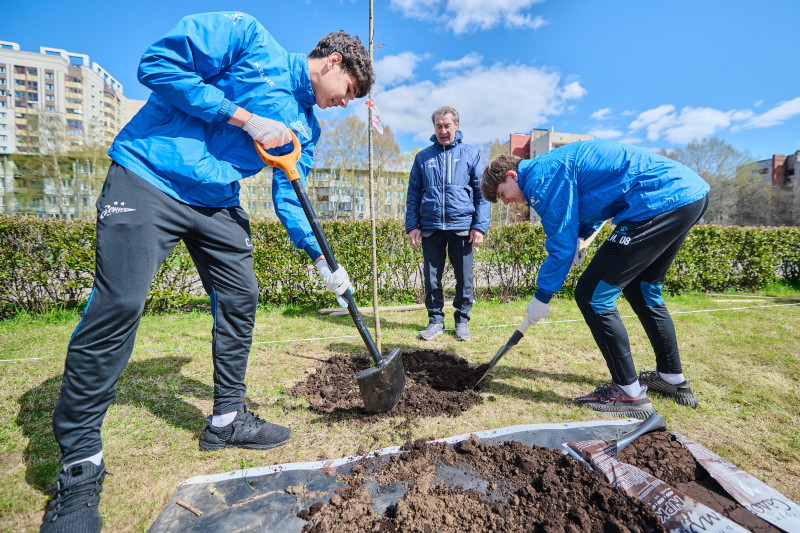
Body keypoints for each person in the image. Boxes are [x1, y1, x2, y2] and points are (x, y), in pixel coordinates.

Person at [41, 12, 373, 533]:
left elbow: (291, 194)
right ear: (333, 62)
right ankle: (80, 464)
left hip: (216, 200)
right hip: (149, 174)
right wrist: (243, 118)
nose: (345, 103)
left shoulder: (306, 128)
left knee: (242, 297)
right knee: (120, 303)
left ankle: (226, 419)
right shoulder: (247, 38)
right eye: (348, 91)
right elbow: (157, 65)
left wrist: (322, 260)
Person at [481, 140, 709, 419]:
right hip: (687, 195)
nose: (506, 202)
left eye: (502, 194)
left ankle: (628, 393)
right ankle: (672, 378)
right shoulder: (551, 167)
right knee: (643, 288)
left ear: (511, 176)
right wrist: (579, 235)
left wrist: (542, 296)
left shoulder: (541, 175)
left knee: (591, 296)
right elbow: (593, 202)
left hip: (657, 200)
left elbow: (560, 245)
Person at [405, 106, 489, 342]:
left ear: (456, 126)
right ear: (434, 127)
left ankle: (462, 321)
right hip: (430, 226)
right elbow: (413, 194)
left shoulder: (471, 154)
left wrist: (479, 226)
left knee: (464, 278)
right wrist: (412, 225)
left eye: (447, 126)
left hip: (462, 225)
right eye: (438, 126)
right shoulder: (423, 157)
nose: (443, 131)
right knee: (432, 278)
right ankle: (435, 321)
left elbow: (482, 193)